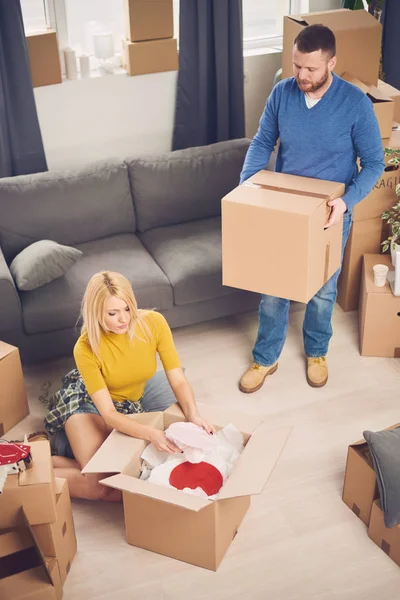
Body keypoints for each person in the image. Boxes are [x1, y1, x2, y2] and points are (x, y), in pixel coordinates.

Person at [238, 24, 384, 394]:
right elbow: (262, 142)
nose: (301, 76)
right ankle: (266, 357)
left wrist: (345, 203)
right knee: (273, 289)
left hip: (330, 213)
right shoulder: (282, 94)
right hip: (284, 210)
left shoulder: (354, 103)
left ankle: (317, 352)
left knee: (322, 291)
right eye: (296, 66)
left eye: (311, 69)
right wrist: (247, 186)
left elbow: (374, 164)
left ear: (331, 62)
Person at [44, 271, 214, 501]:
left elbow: (177, 379)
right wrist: (152, 434)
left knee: (127, 484)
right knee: (99, 486)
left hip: (128, 406)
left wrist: (193, 414)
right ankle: (25, 479)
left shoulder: (154, 323)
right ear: (96, 313)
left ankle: (43, 461)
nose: (123, 319)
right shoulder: (85, 347)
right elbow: (108, 414)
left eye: (127, 309)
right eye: (113, 313)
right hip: (87, 402)